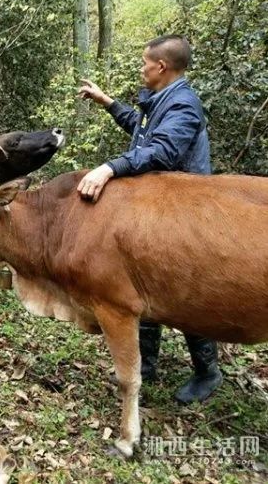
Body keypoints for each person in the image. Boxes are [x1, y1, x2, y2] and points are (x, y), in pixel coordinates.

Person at [77, 34, 223, 404]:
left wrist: (110, 167)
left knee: (186, 293)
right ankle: (145, 366)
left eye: (145, 62)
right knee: (144, 285)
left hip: (184, 212)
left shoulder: (184, 106)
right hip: (156, 209)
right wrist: (107, 102)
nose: (141, 68)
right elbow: (142, 131)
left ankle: (208, 372)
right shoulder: (162, 100)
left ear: (161, 66)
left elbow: (162, 151)